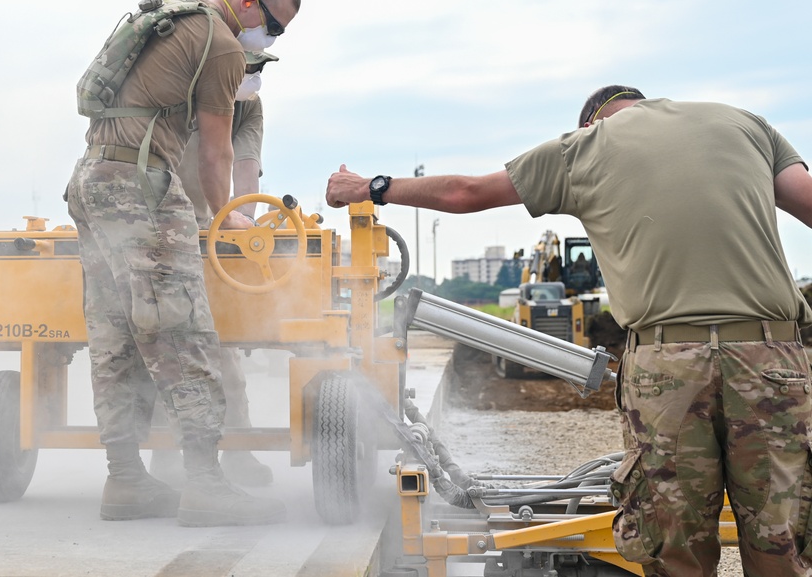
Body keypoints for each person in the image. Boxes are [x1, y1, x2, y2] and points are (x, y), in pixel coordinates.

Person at [325, 85, 812, 576]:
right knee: (782, 542)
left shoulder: (585, 148)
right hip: (772, 359)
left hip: (669, 367)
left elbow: (464, 193)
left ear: (591, 123)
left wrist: (372, 187)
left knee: (674, 548)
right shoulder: (746, 124)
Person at [66, 0, 300, 527]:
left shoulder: (172, 20)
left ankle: (125, 481)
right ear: (248, 2)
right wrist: (227, 220)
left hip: (92, 182)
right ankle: (205, 484)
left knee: (115, 339)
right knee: (183, 332)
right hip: (145, 190)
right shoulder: (220, 44)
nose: (269, 39)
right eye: (274, 26)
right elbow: (217, 153)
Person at [150, 50, 279, 487]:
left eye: (260, 71)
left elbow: (244, 169)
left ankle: (238, 452)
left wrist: (243, 222)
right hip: (157, 221)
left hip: (210, 226)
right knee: (165, 345)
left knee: (220, 344)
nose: (254, 79)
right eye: (247, 70)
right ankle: (167, 458)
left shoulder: (250, 108)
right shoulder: (181, 93)